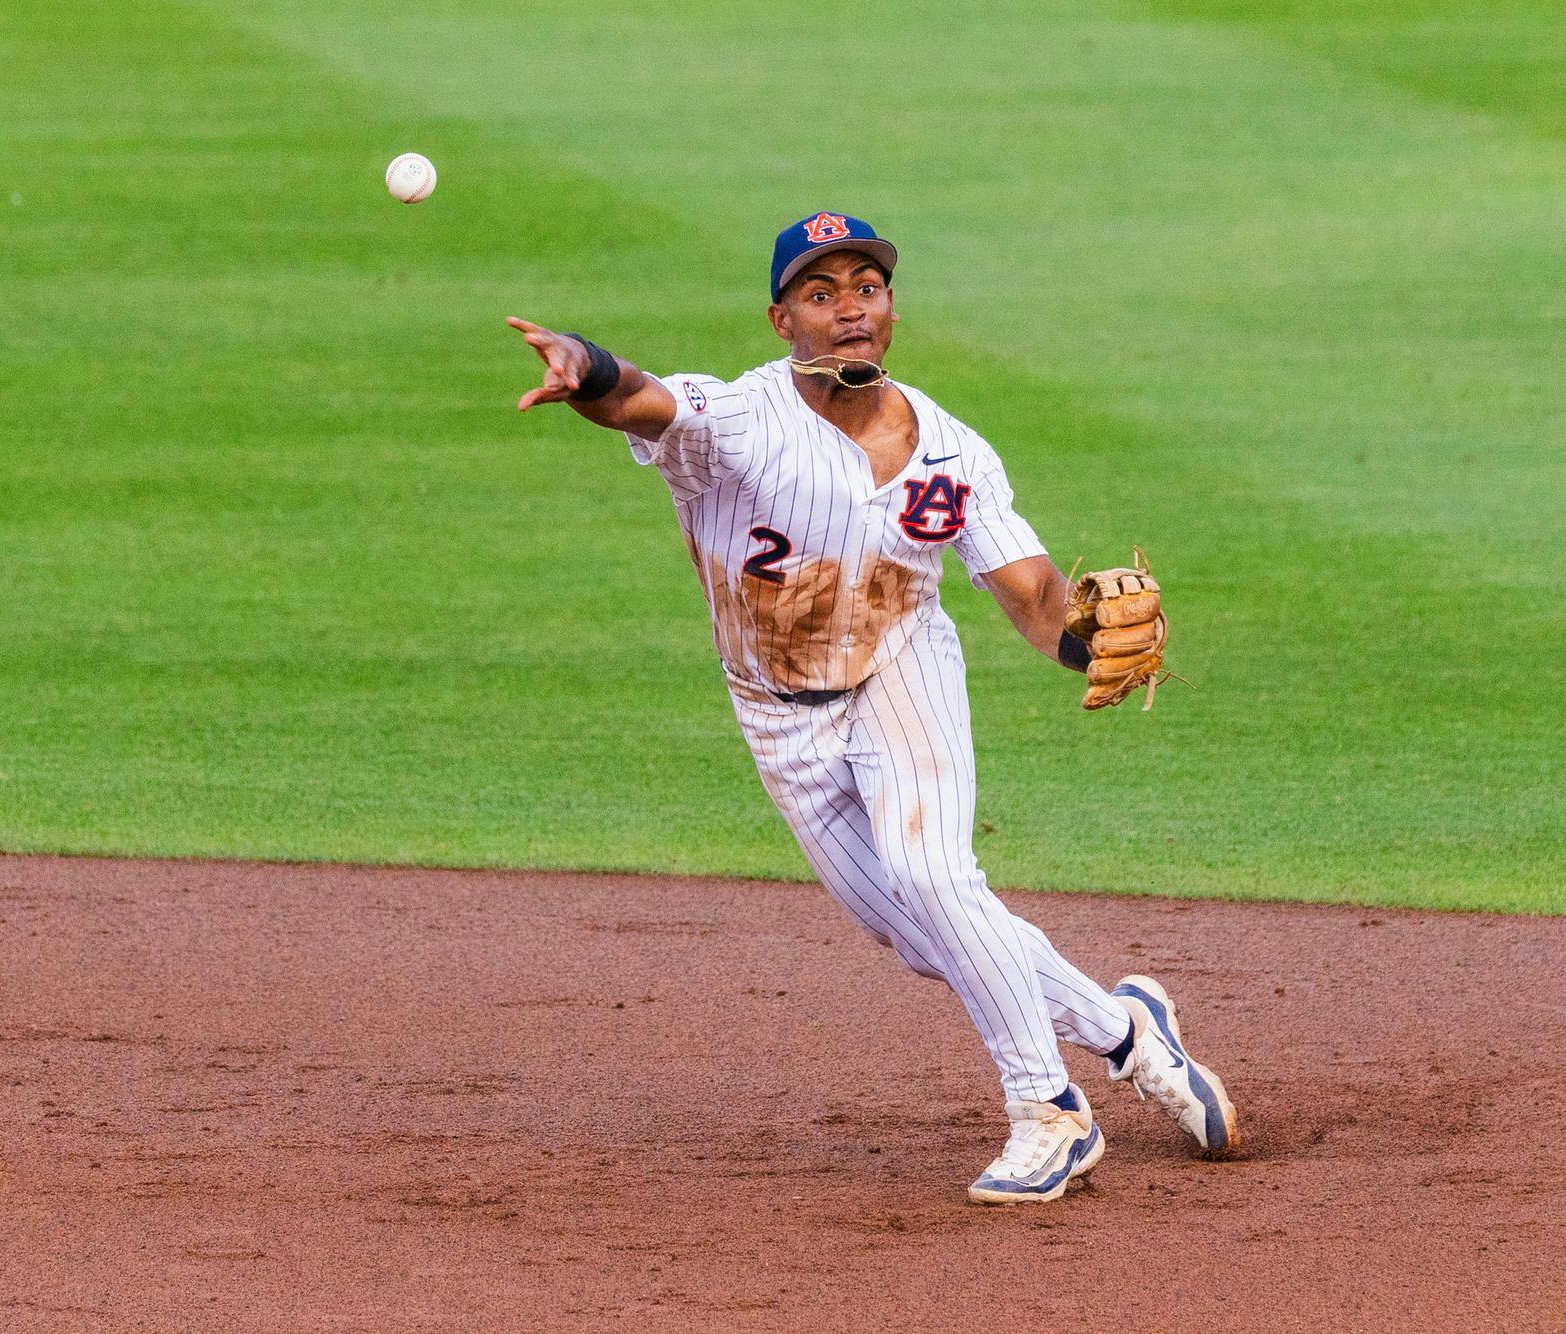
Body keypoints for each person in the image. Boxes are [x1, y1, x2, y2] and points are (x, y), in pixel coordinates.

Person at [504, 211, 1240, 1204]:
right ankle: (1126, 1032)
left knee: (934, 870)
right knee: (924, 930)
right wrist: (582, 366)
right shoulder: (738, 422)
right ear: (780, 319)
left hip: (903, 673)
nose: (848, 311)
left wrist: (1085, 644)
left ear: (889, 307)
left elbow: (1026, 590)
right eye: (820, 294)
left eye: (866, 288)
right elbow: (639, 398)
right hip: (778, 713)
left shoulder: (952, 453)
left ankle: (1049, 1111)